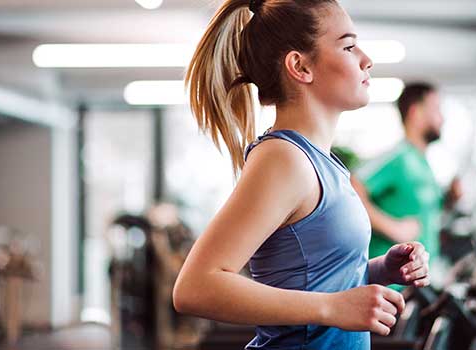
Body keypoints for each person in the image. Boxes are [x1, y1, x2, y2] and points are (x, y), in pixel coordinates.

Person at [172, 1, 430, 349]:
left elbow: (311, 281)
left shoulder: (322, 162)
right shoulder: (284, 159)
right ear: (300, 66)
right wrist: (331, 306)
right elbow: (195, 287)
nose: (366, 59)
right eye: (349, 46)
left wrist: (382, 269)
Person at [352, 83, 462, 275]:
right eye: (436, 110)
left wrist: (450, 198)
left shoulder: (422, 162)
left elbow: (424, 210)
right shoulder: (398, 157)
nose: (442, 119)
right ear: (415, 112)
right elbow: (352, 187)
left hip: (418, 278)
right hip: (392, 283)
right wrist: (393, 228)